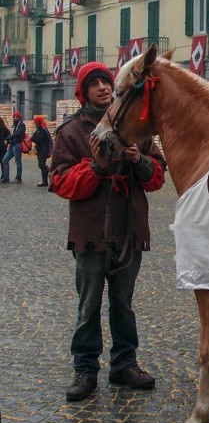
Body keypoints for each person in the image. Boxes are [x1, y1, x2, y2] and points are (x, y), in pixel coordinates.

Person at [50, 62, 167, 402]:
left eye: (106, 82)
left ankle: (124, 363)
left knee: (123, 304)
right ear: (83, 91)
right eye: (95, 83)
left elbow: (157, 176)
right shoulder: (71, 133)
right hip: (91, 231)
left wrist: (138, 160)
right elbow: (61, 182)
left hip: (129, 229)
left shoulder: (136, 127)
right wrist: (96, 166)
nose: (103, 87)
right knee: (88, 306)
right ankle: (85, 369)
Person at [2, 110, 26, 183]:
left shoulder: (22, 125)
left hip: (17, 145)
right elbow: (12, 134)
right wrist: (8, 139)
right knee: (4, 160)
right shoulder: (14, 125)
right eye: (14, 117)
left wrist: (9, 138)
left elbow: (17, 134)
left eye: (17, 117)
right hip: (12, 145)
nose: (15, 118)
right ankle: (6, 177)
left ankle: (18, 178)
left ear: (19, 117)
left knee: (17, 162)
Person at [30, 115, 53, 187]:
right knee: (41, 165)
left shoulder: (43, 130)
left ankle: (47, 176)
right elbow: (34, 136)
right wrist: (33, 138)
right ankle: (45, 180)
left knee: (41, 164)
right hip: (40, 149)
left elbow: (37, 139)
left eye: (36, 123)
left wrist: (33, 139)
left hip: (44, 150)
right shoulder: (39, 129)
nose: (35, 124)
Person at [0, 117, 9, 181]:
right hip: (2, 147)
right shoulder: (4, 129)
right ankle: (4, 174)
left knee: (3, 161)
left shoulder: (4, 129)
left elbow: (9, 135)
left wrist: (7, 140)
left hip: (3, 147)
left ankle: (4, 175)